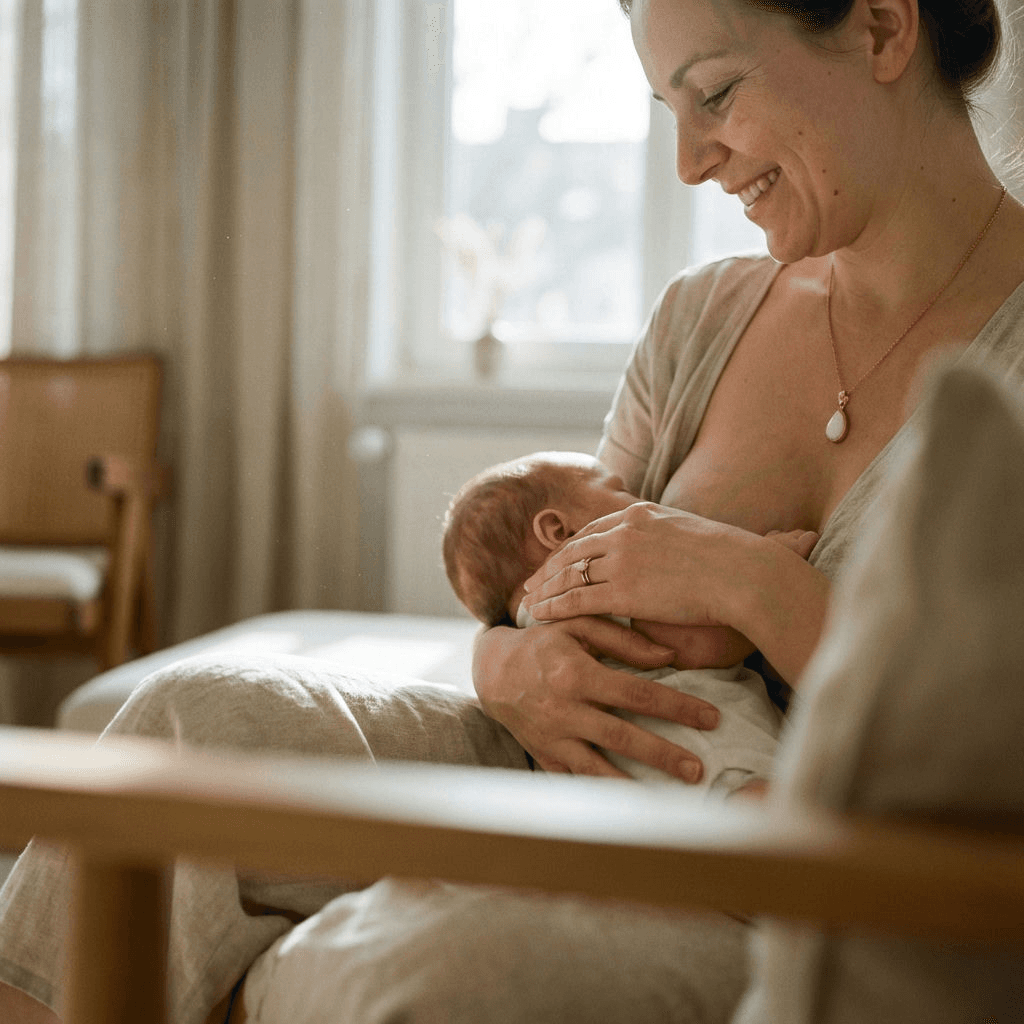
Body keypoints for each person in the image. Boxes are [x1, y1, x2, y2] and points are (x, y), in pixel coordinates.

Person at [3, 0, 1024, 1021]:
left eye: (714, 93)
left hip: (794, 847)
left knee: (435, 969)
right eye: (667, 110)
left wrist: (748, 581)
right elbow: (541, 585)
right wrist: (505, 663)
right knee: (189, 718)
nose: (689, 162)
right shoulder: (702, 316)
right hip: (572, 762)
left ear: (885, 28)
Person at [442, 449, 819, 794]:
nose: (646, 503)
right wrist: (765, 561)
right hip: (705, 761)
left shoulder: (534, 622)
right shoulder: (598, 586)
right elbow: (700, 644)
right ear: (559, 531)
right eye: (621, 491)